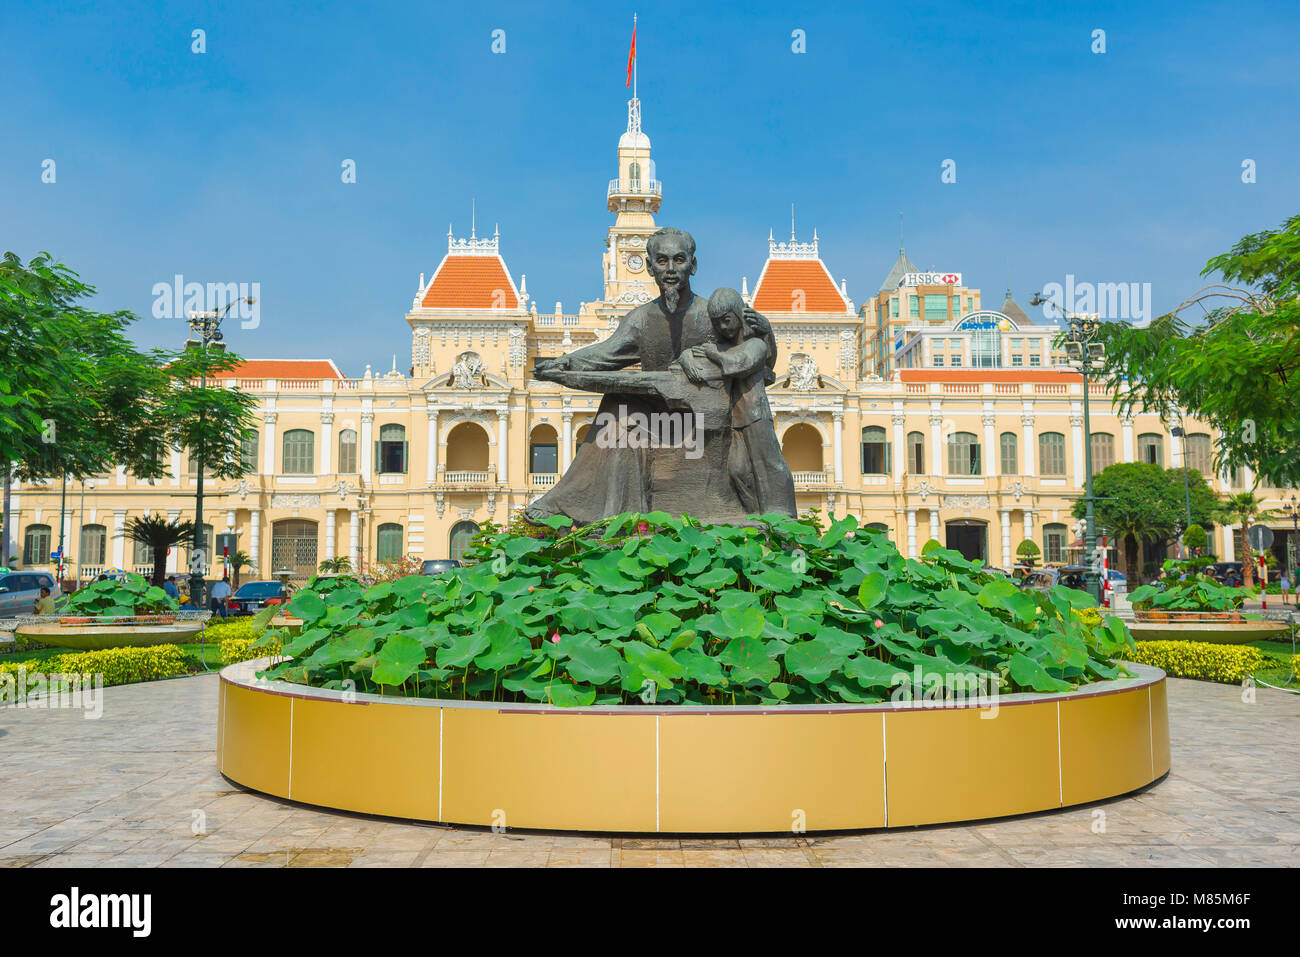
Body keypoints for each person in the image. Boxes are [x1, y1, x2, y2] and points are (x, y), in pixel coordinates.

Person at [688, 287, 795, 517]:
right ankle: (754, 515)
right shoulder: (723, 347)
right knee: (737, 470)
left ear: (738, 315)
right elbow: (696, 356)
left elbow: (740, 363)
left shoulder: (755, 345)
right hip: (735, 418)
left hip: (755, 415)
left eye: (726, 321)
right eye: (717, 324)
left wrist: (713, 354)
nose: (723, 328)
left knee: (769, 465)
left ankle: (783, 516)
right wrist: (691, 359)